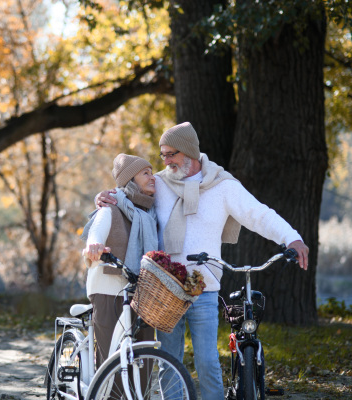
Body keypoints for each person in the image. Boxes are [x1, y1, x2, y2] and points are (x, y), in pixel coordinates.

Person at [96, 122, 309, 399]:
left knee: (207, 363)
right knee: (169, 362)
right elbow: (126, 196)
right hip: (165, 290)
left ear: (189, 151)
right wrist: (101, 197)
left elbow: (259, 214)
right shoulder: (159, 183)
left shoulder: (223, 186)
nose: (166, 160)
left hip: (205, 290)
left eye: (171, 153)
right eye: (164, 155)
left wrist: (291, 238)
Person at [81, 153, 158, 368]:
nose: (153, 178)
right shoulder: (111, 208)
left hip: (142, 293)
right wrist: (94, 246)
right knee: (110, 362)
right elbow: (96, 232)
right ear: (130, 180)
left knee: (144, 359)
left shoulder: (150, 215)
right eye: (146, 173)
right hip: (108, 290)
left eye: (152, 172)